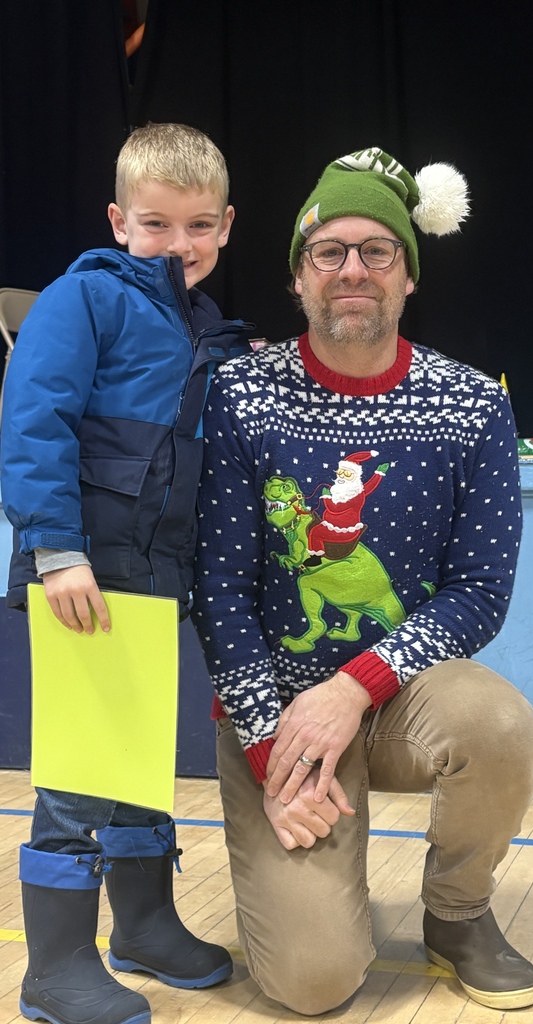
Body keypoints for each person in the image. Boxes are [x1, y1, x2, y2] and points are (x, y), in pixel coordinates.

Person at [191, 146, 533, 1015]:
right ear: (299, 275)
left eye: (376, 251)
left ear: (407, 275)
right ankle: (305, 849)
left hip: (399, 697)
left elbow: (480, 590)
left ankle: (457, 913)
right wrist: (275, 745)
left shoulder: (470, 404)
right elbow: (221, 588)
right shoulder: (241, 394)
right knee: (314, 986)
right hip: (275, 709)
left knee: (500, 723)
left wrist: (353, 687)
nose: (353, 269)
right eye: (330, 250)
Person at [0, 122, 251, 1024]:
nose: (176, 246)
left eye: (196, 227)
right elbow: (33, 424)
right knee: (75, 772)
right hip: (84, 575)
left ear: (225, 227)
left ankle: (142, 926)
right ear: (118, 220)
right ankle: (53, 966)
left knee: (138, 762)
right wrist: (56, 553)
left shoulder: (205, 325)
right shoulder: (83, 300)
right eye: (155, 225)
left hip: (155, 583)